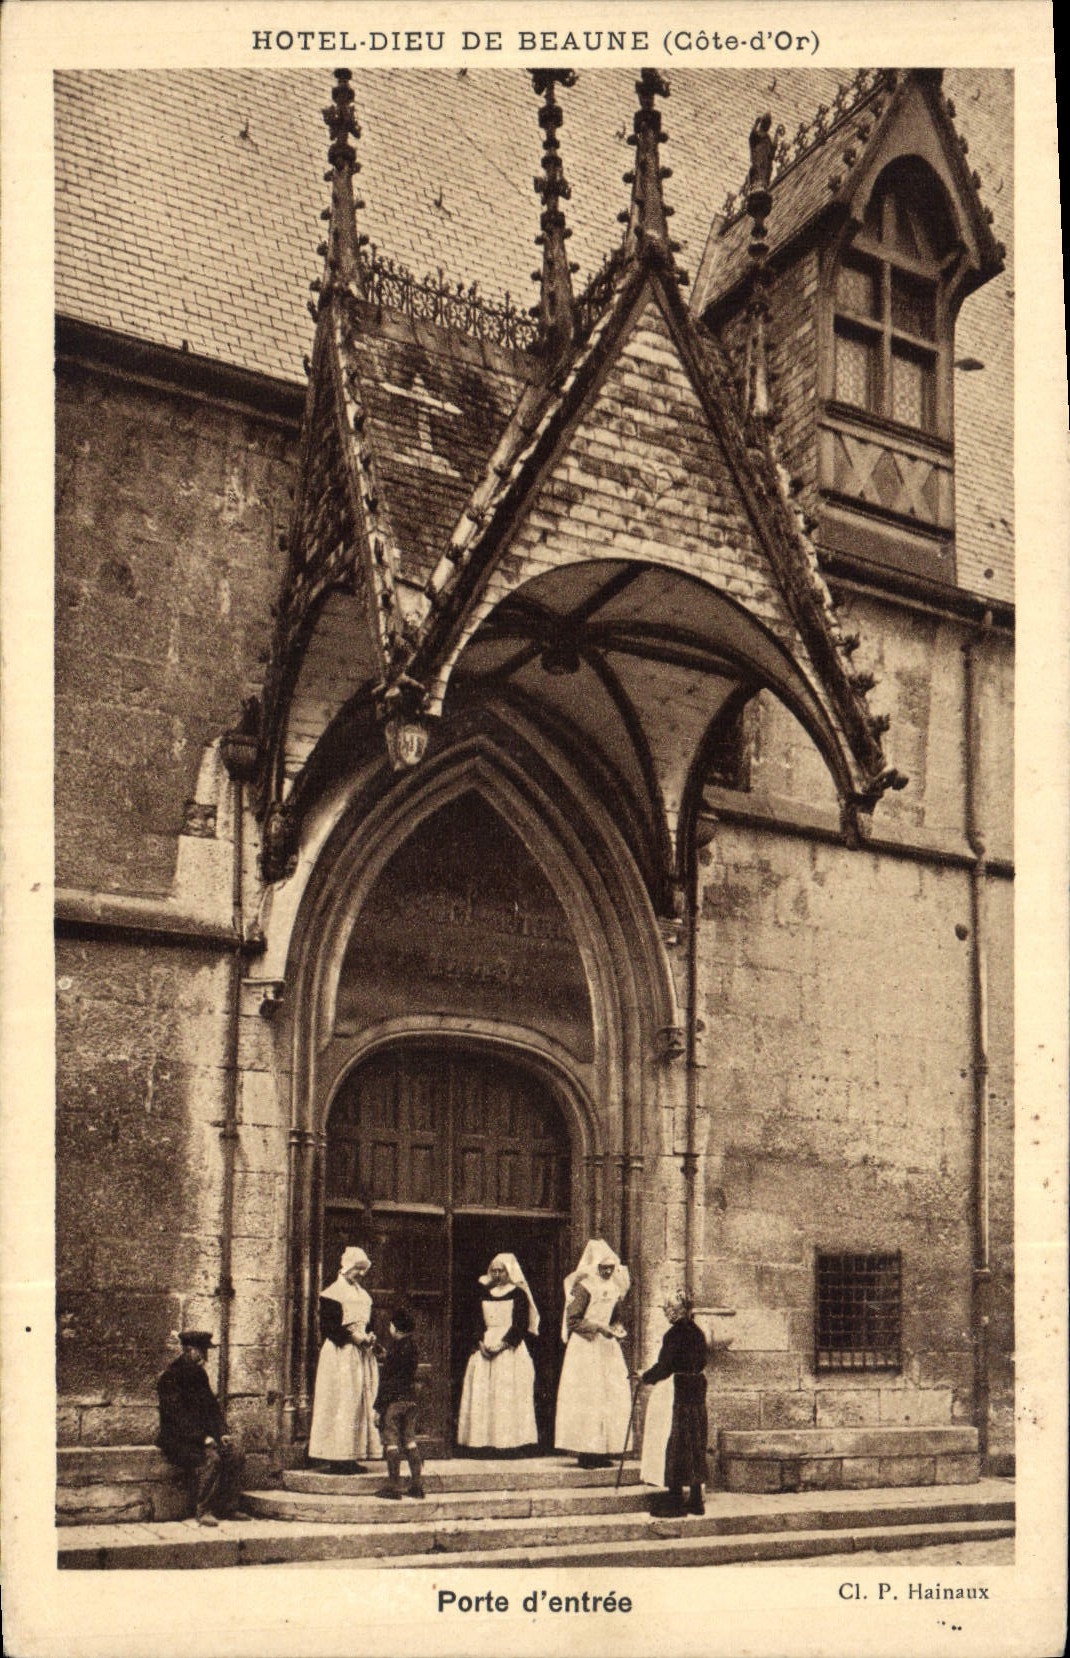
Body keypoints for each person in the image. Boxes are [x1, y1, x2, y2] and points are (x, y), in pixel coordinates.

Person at [155, 1330, 250, 1526]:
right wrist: (202, 1438)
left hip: (201, 1439)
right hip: (178, 1441)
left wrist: (222, 1433)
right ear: (189, 1350)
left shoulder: (199, 1375)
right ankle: (204, 1510)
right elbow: (177, 1418)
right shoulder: (170, 1377)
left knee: (235, 1453)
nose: (205, 1358)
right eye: (202, 1352)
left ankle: (228, 1507)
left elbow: (212, 1408)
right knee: (211, 1459)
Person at [553, 1239, 632, 1469]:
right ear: (595, 1265)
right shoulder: (584, 1287)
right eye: (603, 1267)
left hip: (606, 1348)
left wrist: (616, 1328)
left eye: (611, 1267)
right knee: (588, 1397)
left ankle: (602, 1450)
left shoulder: (615, 1287)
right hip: (585, 1349)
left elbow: (614, 1317)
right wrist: (598, 1328)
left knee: (608, 1396)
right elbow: (573, 1320)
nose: (607, 1271)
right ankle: (585, 1452)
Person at [308, 1245, 382, 1473]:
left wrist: (370, 1336)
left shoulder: (363, 1296)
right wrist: (354, 1338)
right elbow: (328, 1328)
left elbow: (368, 1323)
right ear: (347, 1266)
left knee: (358, 1403)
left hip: (360, 1356)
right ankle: (337, 1457)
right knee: (341, 1402)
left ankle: (352, 1455)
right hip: (340, 1356)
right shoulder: (332, 1294)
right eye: (357, 1268)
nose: (361, 1273)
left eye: (363, 1269)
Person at [456, 1253, 539, 1453]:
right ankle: (482, 1443)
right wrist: (481, 1343)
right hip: (485, 1345)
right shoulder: (483, 1292)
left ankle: (508, 1444)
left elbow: (520, 1324)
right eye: (493, 1270)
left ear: (508, 1272)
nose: (497, 1274)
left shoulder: (518, 1294)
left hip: (509, 1347)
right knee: (484, 1393)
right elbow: (476, 1320)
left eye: (501, 1270)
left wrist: (502, 1345)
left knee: (506, 1394)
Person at [637, 1290, 710, 1516]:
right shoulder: (698, 1332)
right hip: (696, 1390)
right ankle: (695, 1499)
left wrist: (644, 1376)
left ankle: (676, 1498)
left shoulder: (673, 1335)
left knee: (675, 1442)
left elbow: (665, 1366)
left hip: (677, 1392)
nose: (666, 1312)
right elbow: (700, 1362)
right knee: (694, 1443)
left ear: (679, 1310)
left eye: (669, 1308)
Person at [373, 1306, 424, 1500]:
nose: (389, 1329)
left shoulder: (395, 1350)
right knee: (410, 1441)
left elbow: (387, 1383)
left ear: (395, 1328)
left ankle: (393, 1488)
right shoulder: (412, 1347)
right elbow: (402, 1369)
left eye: (390, 1326)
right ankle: (417, 1487)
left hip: (394, 1403)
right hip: (410, 1401)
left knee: (391, 1443)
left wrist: (379, 1409)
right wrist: (387, 1357)